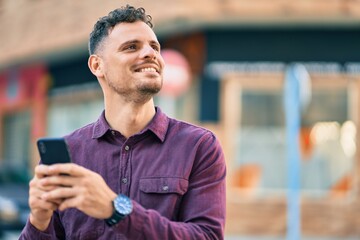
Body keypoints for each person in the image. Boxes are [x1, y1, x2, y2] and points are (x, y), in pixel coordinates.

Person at [19, 4, 226, 240]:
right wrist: (38, 220)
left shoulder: (199, 146)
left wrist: (115, 209)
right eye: (131, 47)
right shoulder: (71, 151)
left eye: (154, 47)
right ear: (98, 66)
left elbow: (208, 236)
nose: (150, 54)